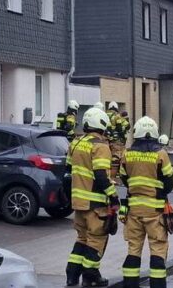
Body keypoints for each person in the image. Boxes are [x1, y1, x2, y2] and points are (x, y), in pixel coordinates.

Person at [65, 107, 119, 287]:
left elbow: (69, 171)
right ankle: (91, 275)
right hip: (95, 203)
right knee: (96, 239)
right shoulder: (100, 146)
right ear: (101, 125)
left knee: (81, 238)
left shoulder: (76, 143)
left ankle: (71, 276)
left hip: (78, 201)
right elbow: (101, 177)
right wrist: (113, 197)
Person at [119, 116, 173, 288]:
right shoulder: (161, 154)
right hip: (155, 212)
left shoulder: (127, 154)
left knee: (133, 249)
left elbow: (124, 178)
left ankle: (130, 285)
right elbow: (169, 182)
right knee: (157, 249)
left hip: (134, 211)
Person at [105, 102, 127, 179]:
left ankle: (107, 176)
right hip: (115, 140)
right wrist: (122, 138)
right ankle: (113, 178)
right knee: (115, 158)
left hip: (105, 140)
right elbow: (119, 128)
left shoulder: (104, 114)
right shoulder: (116, 116)